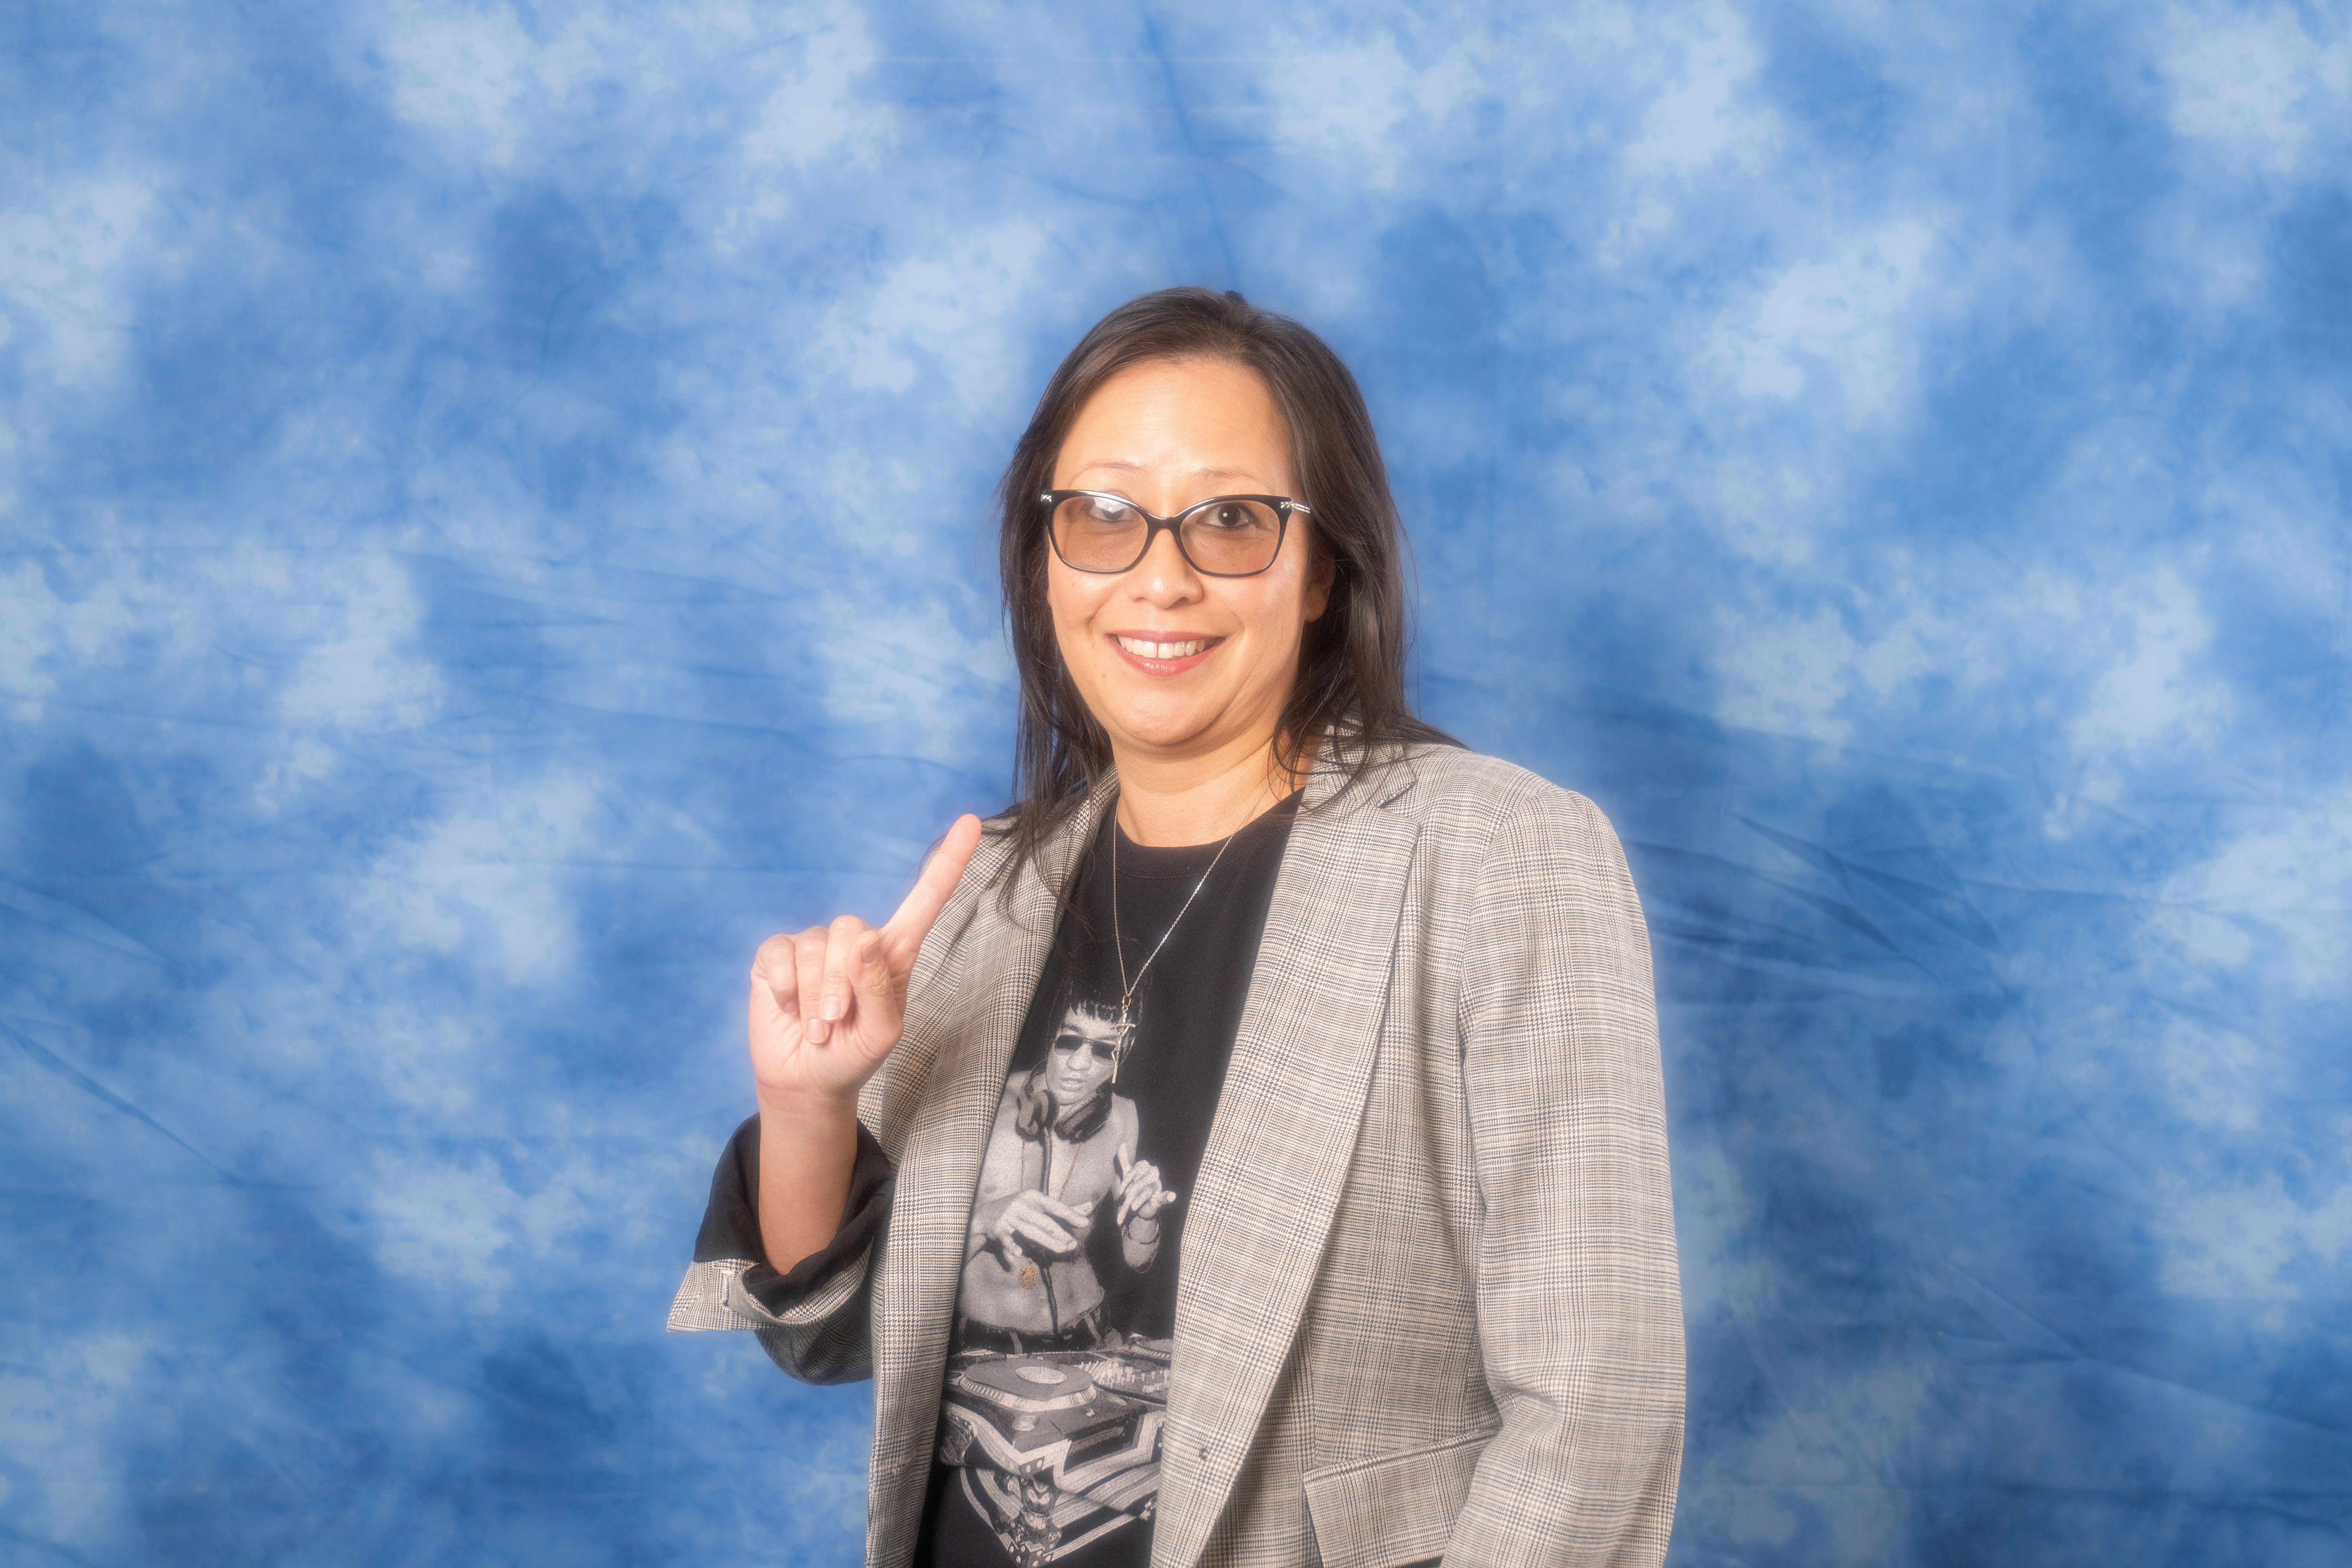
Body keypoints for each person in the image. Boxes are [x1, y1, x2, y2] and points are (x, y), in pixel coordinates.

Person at [670, 287, 1683, 1568]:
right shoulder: (991, 887)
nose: (1159, 576)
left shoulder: (1497, 858)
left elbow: (1596, 1416)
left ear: (1322, 569)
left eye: (1229, 520)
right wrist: (806, 1102)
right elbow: (833, 1329)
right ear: (1043, 557)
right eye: (1100, 514)